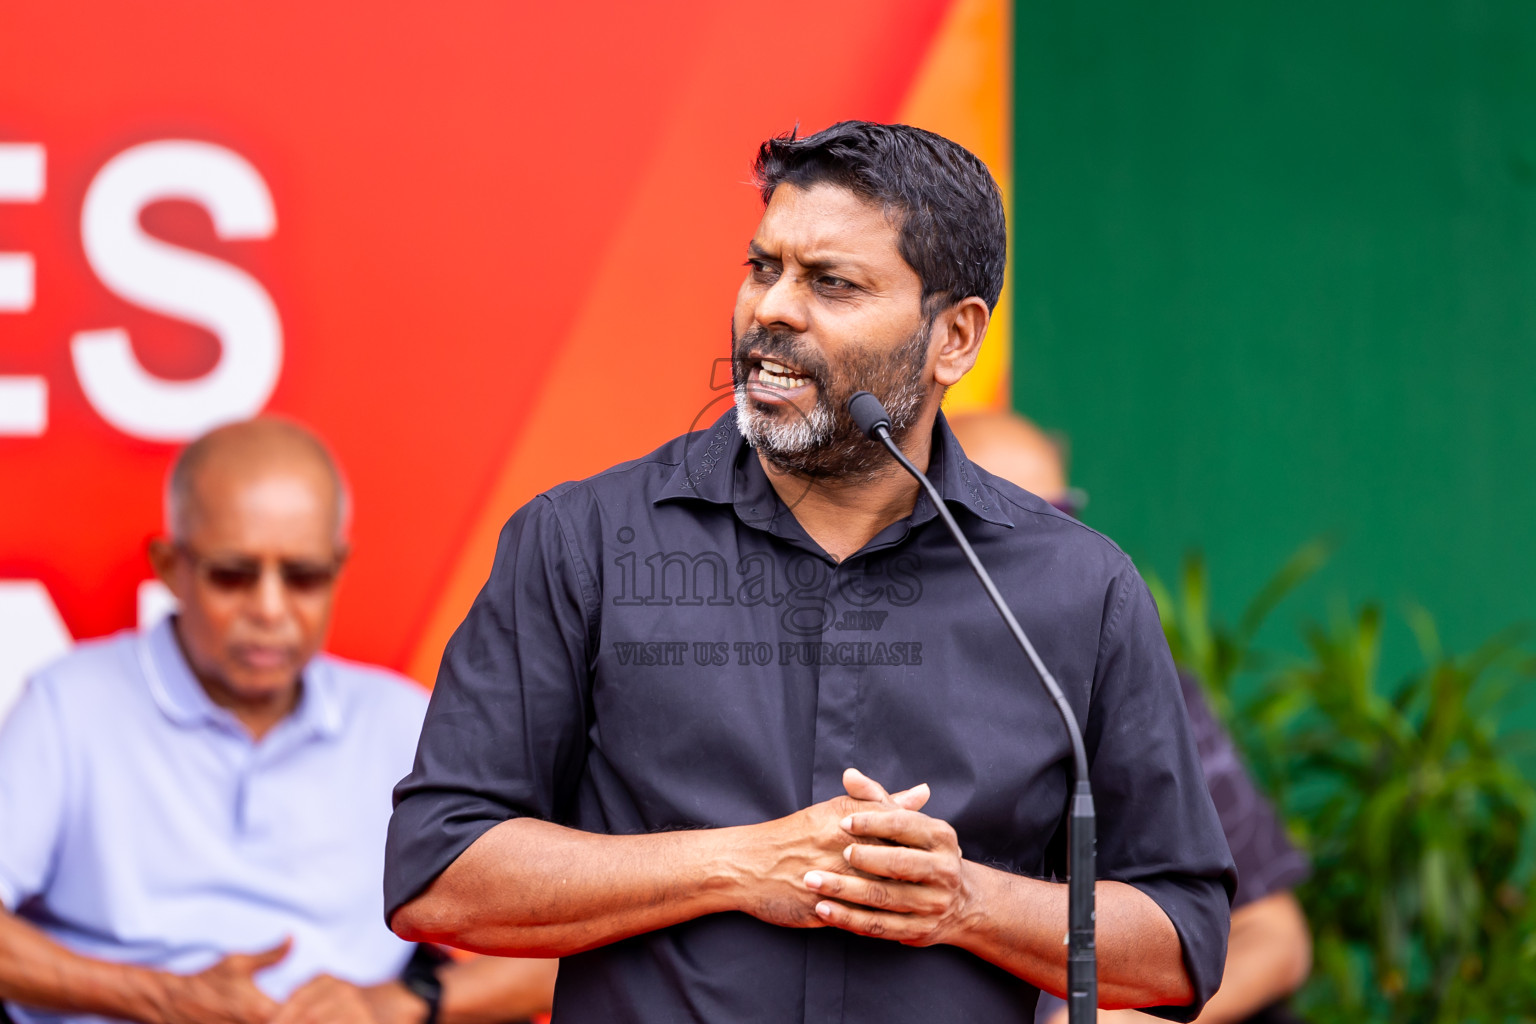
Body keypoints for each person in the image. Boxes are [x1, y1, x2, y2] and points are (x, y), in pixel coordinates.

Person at [385, 121, 1235, 1023]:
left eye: (832, 283)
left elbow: (1184, 942)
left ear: (954, 337)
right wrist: (738, 865)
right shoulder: (584, 541)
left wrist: (966, 905)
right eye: (764, 268)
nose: (774, 310)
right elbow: (441, 871)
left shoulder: (1074, 589)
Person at [0, 419, 556, 1024]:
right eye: (233, 575)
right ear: (169, 566)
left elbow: (570, 941)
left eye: (304, 578)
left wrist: (397, 1005)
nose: (269, 610)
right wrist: (156, 997)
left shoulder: (402, 723)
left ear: (339, 568)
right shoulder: (69, 706)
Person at [949, 409, 1313, 1024]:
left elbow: (1274, 938)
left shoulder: (1127, 679)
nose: (1039, 551)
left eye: (1061, 518)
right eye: (998, 524)